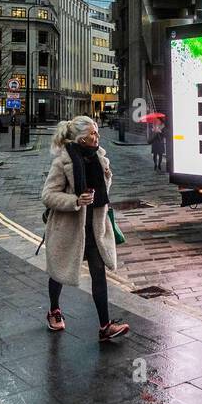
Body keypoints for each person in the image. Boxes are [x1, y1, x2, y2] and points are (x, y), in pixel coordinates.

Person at [41, 116, 129, 341]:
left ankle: (105, 326)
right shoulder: (63, 162)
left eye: (96, 132)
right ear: (81, 139)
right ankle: (54, 310)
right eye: (92, 133)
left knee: (99, 273)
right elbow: (48, 195)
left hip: (94, 227)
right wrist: (75, 201)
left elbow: (102, 190)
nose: (97, 136)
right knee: (59, 270)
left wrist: (107, 177)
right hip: (69, 228)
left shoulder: (99, 156)